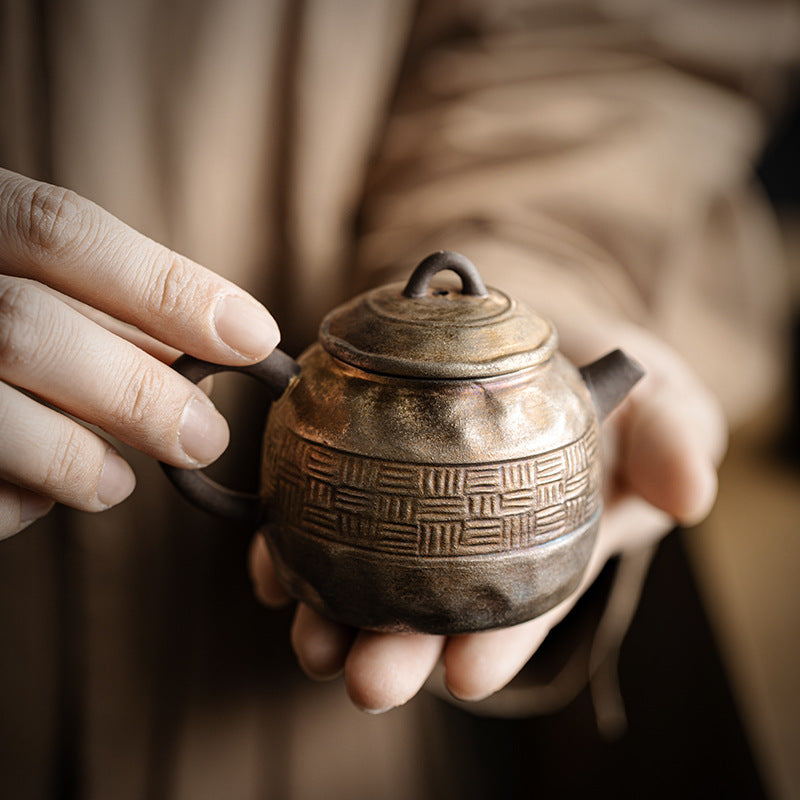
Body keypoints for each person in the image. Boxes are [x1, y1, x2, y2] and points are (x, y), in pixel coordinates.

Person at [1, 1, 796, 797]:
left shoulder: (527, 364)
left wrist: (553, 266)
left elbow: (610, 41)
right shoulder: (337, 366)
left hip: (285, 746)